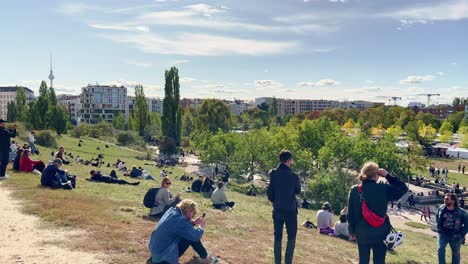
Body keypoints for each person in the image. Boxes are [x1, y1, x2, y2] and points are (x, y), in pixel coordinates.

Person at [347, 162, 408, 264]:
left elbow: (350, 214)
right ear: (377, 175)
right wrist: (388, 175)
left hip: (362, 232)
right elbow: (403, 188)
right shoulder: (384, 189)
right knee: (379, 261)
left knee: (363, 261)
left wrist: (352, 232)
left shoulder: (354, 190)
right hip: (380, 232)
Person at [148, 199, 218, 264]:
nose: (192, 217)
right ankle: (206, 257)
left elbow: (178, 227)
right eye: (193, 214)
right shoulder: (180, 220)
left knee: (189, 233)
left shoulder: (172, 211)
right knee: (191, 237)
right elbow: (195, 236)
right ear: (189, 211)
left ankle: (204, 256)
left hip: (155, 250)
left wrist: (193, 223)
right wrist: (201, 227)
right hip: (163, 257)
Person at [267, 150, 301, 264]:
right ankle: (288, 262)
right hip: (290, 211)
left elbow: (270, 194)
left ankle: (277, 261)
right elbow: (298, 190)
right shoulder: (293, 176)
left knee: (278, 237)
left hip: (277, 209)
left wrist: (275, 201)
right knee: (291, 237)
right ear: (288, 160)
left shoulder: (273, 173)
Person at [436, 193, 468, 264]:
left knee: (455, 253)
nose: (445, 200)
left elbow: (467, 224)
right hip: (443, 234)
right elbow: (437, 218)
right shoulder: (441, 208)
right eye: (444, 198)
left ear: (453, 201)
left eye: (447, 199)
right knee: (440, 249)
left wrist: (461, 234)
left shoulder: (461, 212)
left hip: (455, 235)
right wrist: (438, 228)